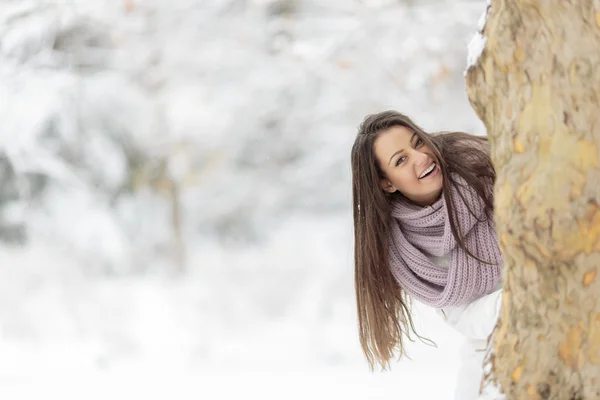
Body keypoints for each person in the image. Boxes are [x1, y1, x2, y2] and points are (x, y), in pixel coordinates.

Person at [350, 110, 503, 400]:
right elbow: (464, 315)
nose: (421, 157)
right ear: (387, 183)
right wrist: (521, 300)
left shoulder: (484, 166)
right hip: (493, 344)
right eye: (401, 160)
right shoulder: (406, 249)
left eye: (418, 142)